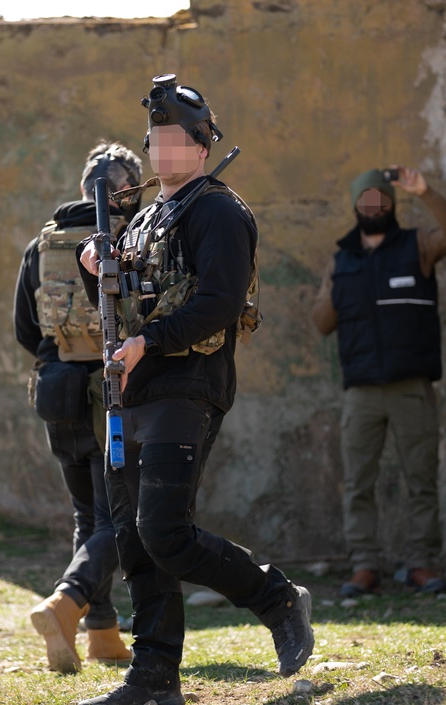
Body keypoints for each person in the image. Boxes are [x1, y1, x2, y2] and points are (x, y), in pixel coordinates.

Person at [74, 74, 314, 705]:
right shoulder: (149, 214)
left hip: (188, 385)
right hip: (131, 394)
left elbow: (218, 303)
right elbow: (121, 296)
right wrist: (96, 265)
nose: (160, 149)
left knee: (165, 532)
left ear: (202, 146)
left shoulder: (218, 211)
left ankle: (277, 598)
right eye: (153, 137)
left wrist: (150, 343)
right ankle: (154, 678)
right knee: (131, 538)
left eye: (174, 137)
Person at [311, 166, 446, 597]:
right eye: (366, 201)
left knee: (420, 478)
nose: (374, 207)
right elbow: (322, 321)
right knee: (359, 481)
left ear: (392, 205)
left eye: (381, 200)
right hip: (361, 390)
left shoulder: (417, 245)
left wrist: (425, 190)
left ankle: (420, 564)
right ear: (356, 207)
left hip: (410, 386)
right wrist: (342, 289)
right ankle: (364, 567)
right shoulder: (341, 260)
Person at [14, 142, 143, 673]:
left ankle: (102, 634)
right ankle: (66, 602)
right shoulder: (131, 239)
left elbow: (25, 329)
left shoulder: (42, 245)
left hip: (57, 393)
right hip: (112, 396)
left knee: (87, 515)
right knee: (124, 517)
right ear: (126, 189)